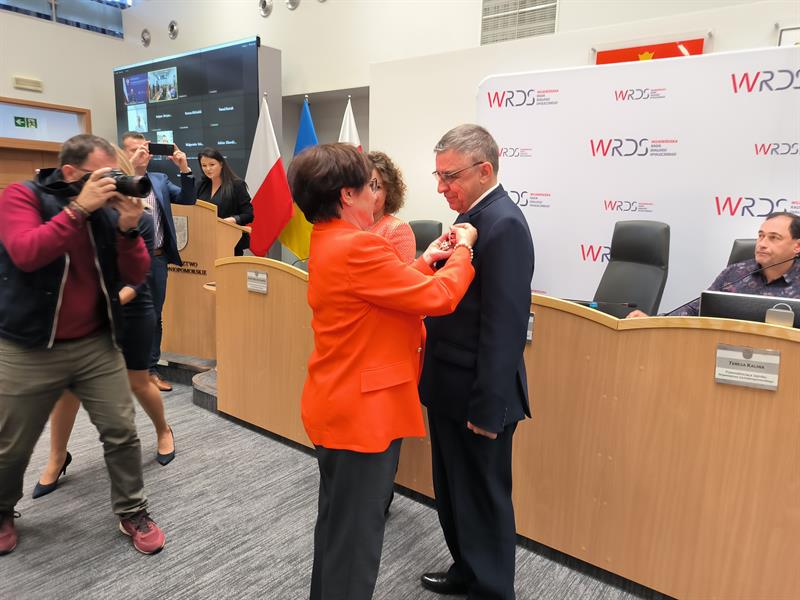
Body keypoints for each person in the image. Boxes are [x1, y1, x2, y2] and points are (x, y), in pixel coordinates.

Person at [288, 143, 477, 600]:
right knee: (356, 545)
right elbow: (439, 298)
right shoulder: (359, 245)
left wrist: (425, 261)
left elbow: (383, 293)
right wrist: (463, 252)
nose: (375, 194)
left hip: (338, 403)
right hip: (361, 414)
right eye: (368, 186)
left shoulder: (329, 238)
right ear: (347, 195)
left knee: (339, 530)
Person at [0, 134, 166, 556]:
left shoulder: (107, 211)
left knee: (122, 431)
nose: (112, 183)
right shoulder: (22, 197)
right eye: (103, 175)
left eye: (115, 174)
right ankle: (1, 510)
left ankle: (132, 509)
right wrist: (78, 209)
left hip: (94, 342)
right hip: (29, 344)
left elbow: (136, 273)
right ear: (71, 172)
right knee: (12, 444)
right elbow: (26, 253)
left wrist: (127, 228)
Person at [418, 124, 535, 599]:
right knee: (453, 493)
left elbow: (504, 327)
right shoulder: (471, 218)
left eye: (450, 176)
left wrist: (488, 409)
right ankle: (467, 570)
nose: (441, 187)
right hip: (448, 387)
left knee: (483, 500)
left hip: (477, 396)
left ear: (484, 170)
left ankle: (492, 590)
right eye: (439, 175)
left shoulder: (504, 224)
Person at [32, 147, 177, 501]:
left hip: (131, 309)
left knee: (137, 382)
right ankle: (56, 457)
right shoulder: (77, 215)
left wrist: (98, 305)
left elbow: (135, 281)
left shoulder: (139, 218)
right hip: (90, 311)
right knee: (69, 388)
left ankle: (164, 430)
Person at [121, 131, 196, 392]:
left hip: (156, 259)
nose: (142, 153)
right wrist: (130, 169)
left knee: (153, 316)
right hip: (123, 262)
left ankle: (150, 370)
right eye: (134, 150)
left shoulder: (160, 180)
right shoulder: (114, 180)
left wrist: (184, 168)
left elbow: (188, 199)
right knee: (123, 314)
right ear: (123, 154)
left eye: (145, 148)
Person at [627, 212, 800, 318]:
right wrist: (653, 321)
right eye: (761, 236)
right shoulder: (736, 273)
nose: (762, 244)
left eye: (774, 238)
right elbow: (695, 310)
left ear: (797, 246)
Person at [196, 146, 253, 256]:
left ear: (221, 164)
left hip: (230, 242)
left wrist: (232, 220)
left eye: (212, 164)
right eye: (204, 165)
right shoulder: (200, 185)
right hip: (205, 242)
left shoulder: (237, 185)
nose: (208, 169)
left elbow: (248, 214)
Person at [367, 151, 416, 263]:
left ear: (388, 191)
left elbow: (404, 274)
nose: (370, 194)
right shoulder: (351, 225)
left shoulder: (398, 230)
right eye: (365, 186)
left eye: (377, 187)